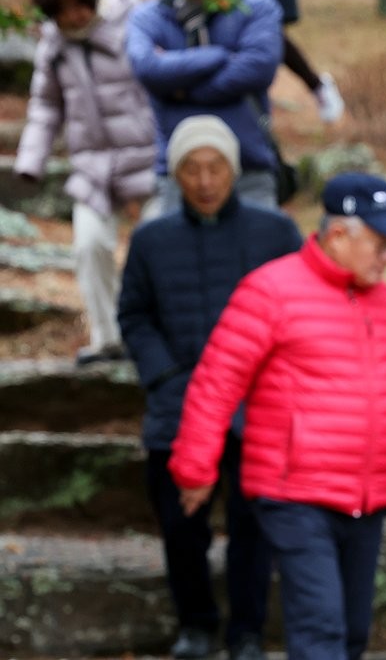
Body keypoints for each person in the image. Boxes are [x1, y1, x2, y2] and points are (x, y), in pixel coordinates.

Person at [169, 172, 386, 660]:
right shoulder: (270, 290)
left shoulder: (382, 300)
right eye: (382, 244)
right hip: (293, 493)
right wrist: (195, 467)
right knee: (321, 631)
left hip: (367, 495)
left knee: (355, 631)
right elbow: (216, 382)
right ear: (339, 234)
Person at [118, 116, 303, 660]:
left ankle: (247, 633)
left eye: (215, 166)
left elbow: (300, 311)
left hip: (259, 410)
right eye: (191, 169)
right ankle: (195, 627)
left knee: (254, 529)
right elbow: (134, 315)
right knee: (181, 527)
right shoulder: (152, 239)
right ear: (175, 175)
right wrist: (167, 376)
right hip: (176, 408)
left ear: (234, 168)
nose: (204, 180)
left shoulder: (275, 232)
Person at [15, 0, 157, 365]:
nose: (74, 17)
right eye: (63, 10)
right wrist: (31, 161)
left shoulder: (135, 25)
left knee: (155, 247)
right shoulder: (53, 47)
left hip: (146, 158)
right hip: (93, 167)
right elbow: (46, 106)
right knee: (89, 245)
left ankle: (157, 334)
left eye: (79, 6)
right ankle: (108, 338)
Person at [124, 0, 285, 217]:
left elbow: (257, 68)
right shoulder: (147, 17)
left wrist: (179, 88)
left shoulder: (258, 7)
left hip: (249, 167)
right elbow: (148, 68)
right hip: (176, 175)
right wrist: (219, 56)